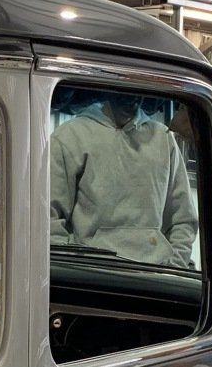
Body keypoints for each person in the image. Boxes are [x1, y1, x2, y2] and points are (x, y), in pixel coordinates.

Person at [51, 92, 197, 267]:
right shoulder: (69, 136)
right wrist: (72, 270)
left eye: (138, 92)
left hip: (155, 277)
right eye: (124, 93)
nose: (132, 97)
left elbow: (183, 219)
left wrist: (173, 268)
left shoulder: (163, 140)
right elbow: (49, 219)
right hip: (89, 276)